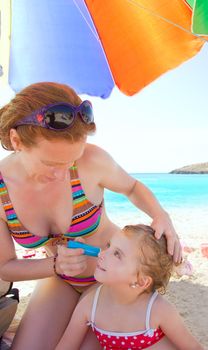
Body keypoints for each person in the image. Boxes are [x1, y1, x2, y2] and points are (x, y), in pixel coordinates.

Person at [0, 82, 181, 349]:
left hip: (111, 282)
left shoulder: (92, 162)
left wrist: (161, 215)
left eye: (70, 161)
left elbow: (132, 187)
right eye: (51, 164)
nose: (62, 174)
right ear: (17, 141)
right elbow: (5, 267)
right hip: (59, 280)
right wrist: (56, 266)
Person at [56, 224, 203, 350]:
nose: (102, 254)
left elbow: (193, 347)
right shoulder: (90, 305)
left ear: (141, 282)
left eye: (117, 254)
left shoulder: (158, 310)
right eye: (109, 245)